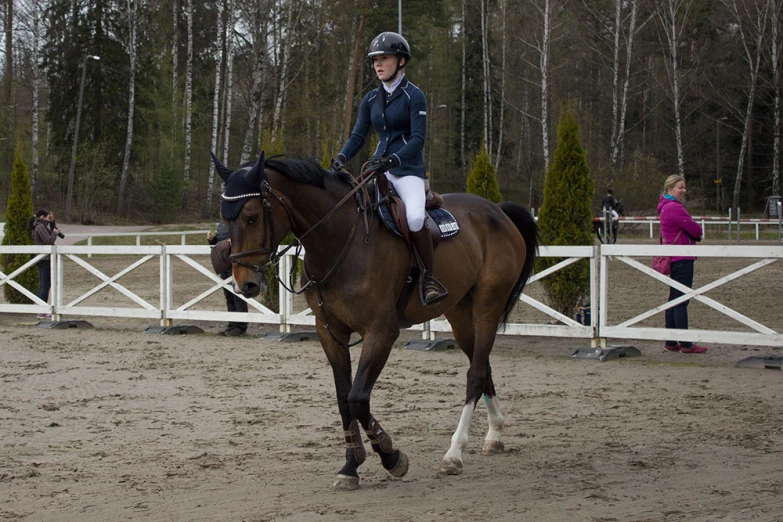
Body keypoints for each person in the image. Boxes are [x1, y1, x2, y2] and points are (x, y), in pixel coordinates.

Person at [329, 31, 447, 306]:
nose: (378, 65)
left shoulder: (414, 96)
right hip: (378, 168)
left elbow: (418, 138)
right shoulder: (371, 99)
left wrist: (394, 160)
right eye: (375, 60)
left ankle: (428, 278)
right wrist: (342, 157)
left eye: (384, 59)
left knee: (416, 218)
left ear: (401, 61)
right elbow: (359, 135)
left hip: (407, 171)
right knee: (353, 209)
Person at [657, 175, 707, 354]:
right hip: (682, 257)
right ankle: (685, 343)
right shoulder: (674, 208)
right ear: (670, 189)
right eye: (680, 187)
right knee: (681, 301)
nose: (684, 191)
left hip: (674, 256)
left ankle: (671, 340)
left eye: (685, 187)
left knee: (674, 299)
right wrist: (696, 232)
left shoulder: (665, 207)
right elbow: (696, 230)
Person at [208, 221, 248, 336]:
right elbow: (219, 243)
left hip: (235, 263)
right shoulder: (221, 225)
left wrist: (234, 242)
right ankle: (232, 323)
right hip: (224, 262)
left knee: (238, 295)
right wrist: (211, 240)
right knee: (229, 296)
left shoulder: (237, 223)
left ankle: (240, 326)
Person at [32, 210, 61, 319]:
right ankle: (42, 309)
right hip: (44, 258)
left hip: (45, 258)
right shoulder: (40, 227)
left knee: (45, 284)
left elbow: (50, 231)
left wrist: (52, 222)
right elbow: (48, 241)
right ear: (43, 216)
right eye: (48, 217)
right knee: (45, 285)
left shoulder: (41, 226)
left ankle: (42, 309)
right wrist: (54, 233)